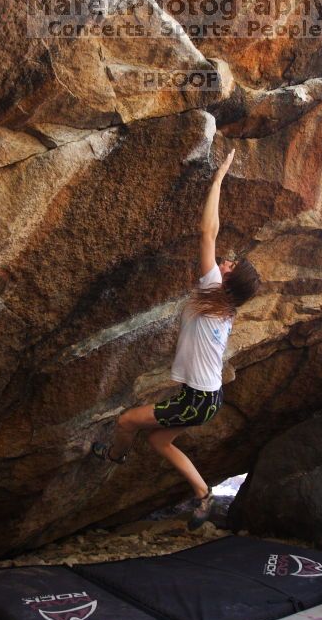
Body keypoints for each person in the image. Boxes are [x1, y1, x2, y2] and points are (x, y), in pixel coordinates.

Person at [92, 148, 261, 529]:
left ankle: (113, 456)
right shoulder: (224, 305)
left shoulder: (215, 290)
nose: (224, 261)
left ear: (228, 280)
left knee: (127, 422)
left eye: (230, 265)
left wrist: (218, 179)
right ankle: (203, 494)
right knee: (158, 441)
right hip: (205, 397)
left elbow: (208, 232)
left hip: (200, 399)